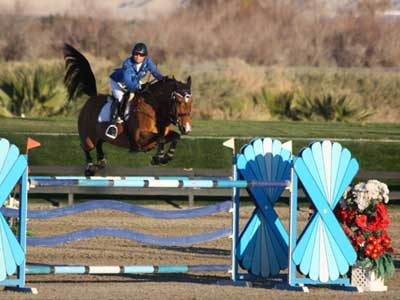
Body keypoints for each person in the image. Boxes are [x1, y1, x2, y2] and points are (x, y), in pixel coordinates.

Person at [105, 42, 165, 139]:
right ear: (132, 54)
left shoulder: (147, 62)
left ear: (144, 56)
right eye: (135, 54)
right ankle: (112, 124)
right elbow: (128, 83)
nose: (138, 56)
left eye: (141, 55)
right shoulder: (127, 63)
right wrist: (139, 87)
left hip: (133, 81)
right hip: (119, 82)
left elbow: (155, 72)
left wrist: (163, 79)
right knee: (120, 98)